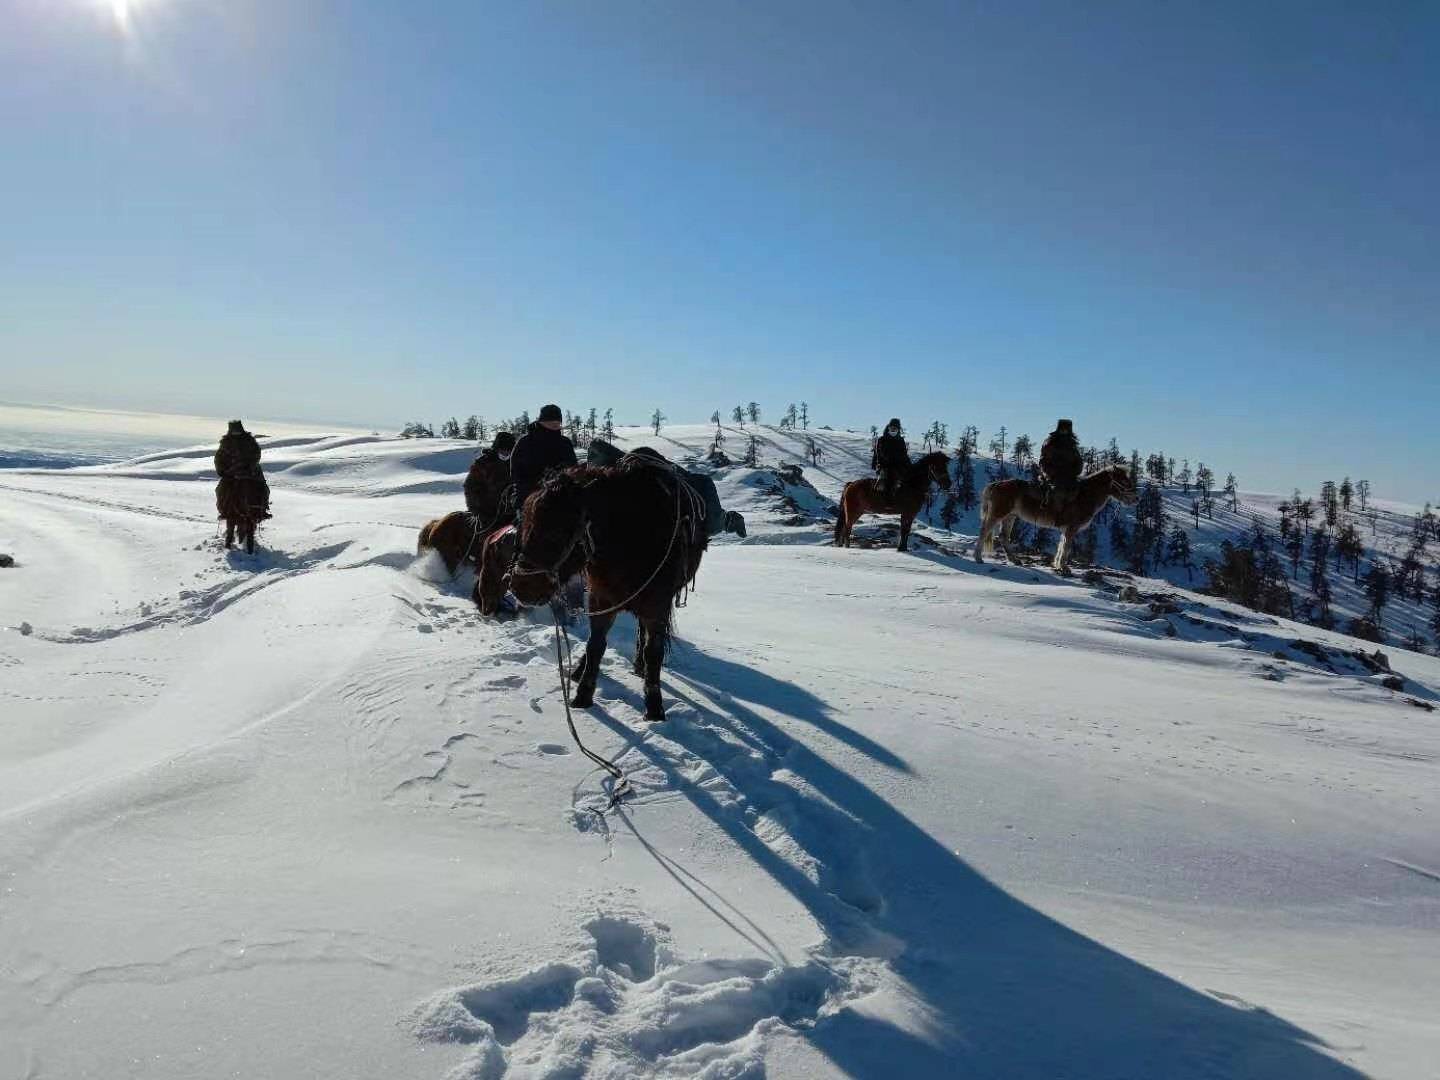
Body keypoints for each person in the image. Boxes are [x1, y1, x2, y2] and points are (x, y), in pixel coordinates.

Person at [589, 440, 746, 539]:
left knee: (701, 485)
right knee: (702, 484)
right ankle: (727, 520)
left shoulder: (598, 469)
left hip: (647, 468)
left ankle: (727, 520)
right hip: (644, 469)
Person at [510, 404, 578, 523]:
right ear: (542, 422)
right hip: (529, 500)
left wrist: (566, 478)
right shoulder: (525, 443)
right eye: (551, 423)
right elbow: (517, 475)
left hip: (562, 500)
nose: (555, 426)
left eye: (558, 423)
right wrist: (542, 483)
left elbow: (573, 468)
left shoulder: (565, 443)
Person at [213, 419, 270, 520]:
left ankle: (263, 508)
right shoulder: (225, 442)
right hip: (231, 472)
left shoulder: (249, 440)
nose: (235, 433)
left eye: (237, 430)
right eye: (233, 430)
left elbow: (256, 454)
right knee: (220, 489)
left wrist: (250, 466)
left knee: (263, 488)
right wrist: (222, 470)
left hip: (250, 471)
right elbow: (219, 458)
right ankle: (223, 510)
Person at [464, 430, 516, 522]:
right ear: (496, 449)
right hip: (487, 513)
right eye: (502, 451)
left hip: (513, 512)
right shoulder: (483, 463)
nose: (505, 454)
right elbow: (470, 487)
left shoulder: (516, 463)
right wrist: (476, 510)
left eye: (508, 451)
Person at [1038, 418, 1084, 502]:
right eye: (1063, 429)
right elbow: (1043, 462)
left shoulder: (1072, 445)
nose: (1064, 432)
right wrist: (1053, 473)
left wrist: (1074, 471)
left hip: (1070, 478)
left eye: (1066, 430)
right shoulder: (1050, 443)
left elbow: (1078, 462)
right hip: (1053, 478)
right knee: (1058, 494)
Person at [871, 418, 909, 502]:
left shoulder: (901, 441)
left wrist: (909, 465)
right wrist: (893, 460)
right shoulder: (882, 439)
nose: (893, 430)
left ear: (898, 430)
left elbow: (904, 455)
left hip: (898, 466)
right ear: (888, 428)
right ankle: (886, 500)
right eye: (892, 428)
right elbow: (881, 453)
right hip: (883, 465)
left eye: (895, 428)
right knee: (888, 479)